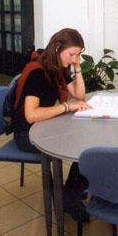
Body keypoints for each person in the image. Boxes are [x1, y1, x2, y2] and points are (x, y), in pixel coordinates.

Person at [12, 27, 91, 216]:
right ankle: (68, 196)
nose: (73, 59)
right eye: (72, 54)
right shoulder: (37, 72)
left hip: (43, 126)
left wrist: (77, 67)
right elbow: (30, 115)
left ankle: (68, 194)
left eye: (77, 55)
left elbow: (80, 96)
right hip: (26, 134)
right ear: (57, 48)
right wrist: (66, 107)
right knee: (82, 148)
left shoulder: (57, 68)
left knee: (86, 144)